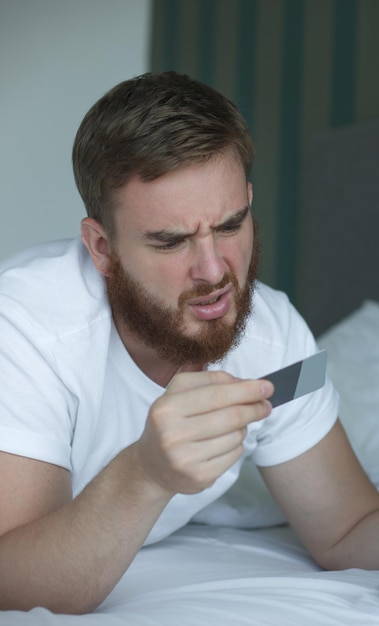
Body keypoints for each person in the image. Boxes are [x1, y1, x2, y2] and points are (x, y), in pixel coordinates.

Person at [0, 71, 378, 616]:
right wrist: (147, 472)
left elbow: (348, 528)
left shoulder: (276, 333)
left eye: (230, 225)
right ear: (102, 248)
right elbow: (14, 587)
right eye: (171, 241)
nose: (213, 271)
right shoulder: (26, 326)